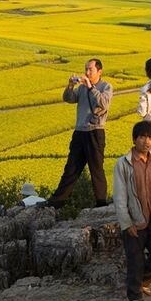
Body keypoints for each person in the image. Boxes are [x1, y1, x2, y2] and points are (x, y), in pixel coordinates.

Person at [43, 58, 113, 208]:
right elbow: (69, 98)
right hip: (80, 132)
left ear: (99, 71)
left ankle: (101, 203)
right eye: (86, 69)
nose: (87, 72)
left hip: (95, 132)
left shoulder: (106, 86)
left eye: (90, 70)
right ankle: (56, 202)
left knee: (96, 169)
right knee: (71, 168)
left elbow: (104, 104)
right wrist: (70, 86)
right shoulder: (81, 88)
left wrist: (90, 87)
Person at [113, 121, 151, 301]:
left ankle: (142, 281)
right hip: (135, 220)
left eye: (150, 138)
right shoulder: (124, 163)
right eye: (142, 137)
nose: (146, 141)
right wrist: (127, 223)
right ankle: (134, 294)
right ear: (135, 139)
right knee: (135, 259)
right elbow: (120, 197)